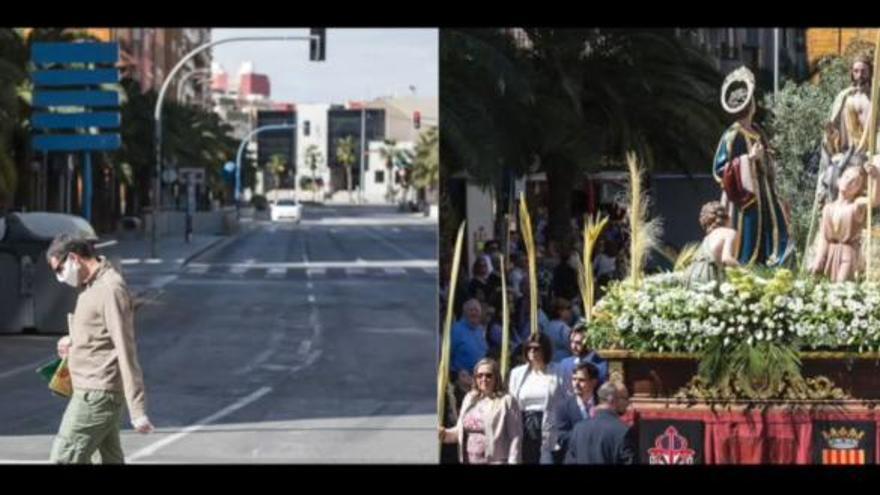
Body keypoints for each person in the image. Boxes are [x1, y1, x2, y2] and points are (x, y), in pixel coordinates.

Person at [47, 234, 153, 464]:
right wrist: (72, 342)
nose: (60, 277)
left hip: (96, 394)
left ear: (74, 257)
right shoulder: (91, 284)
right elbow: (98, 333)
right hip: (93, 390)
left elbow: (125, 346)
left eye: (59, 269)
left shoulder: (109, 288)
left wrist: (137, 409)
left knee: (63, 458)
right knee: (109, 459)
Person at [714, 65, 793, 267]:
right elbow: (720, 169)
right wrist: (748, 159)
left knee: (773, 228)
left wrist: (765, 158)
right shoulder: (732, 135)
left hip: (764, 191)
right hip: (742, 197)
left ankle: (768, 262)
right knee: (745, 233)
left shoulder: (758, 131)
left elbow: (767, 158)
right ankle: (742, 265)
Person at [440, 358, 523, 464]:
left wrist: (513, 461)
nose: (484, 379)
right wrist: (443, 434)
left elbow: (515, 437)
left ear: (496, 378)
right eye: (480, 375)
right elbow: (459, 432)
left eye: (488, 375)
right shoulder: (469, 398)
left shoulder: (507, 401)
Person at [809, 161, 880, 282]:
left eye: (855, 182)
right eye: (847, 177)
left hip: (848, 254)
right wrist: (818, 259)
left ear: (859, 189)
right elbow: (824, 238)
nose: (849, 182)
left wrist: (876, 178)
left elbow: (874, 200)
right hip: (829, 253)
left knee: (841, 288)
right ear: (838, 180)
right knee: (823, 287)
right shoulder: (828, 208)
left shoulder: (856, 206)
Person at [508, 333, 564, 464]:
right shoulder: (517, 373)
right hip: (523, 425)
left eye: (536, 348)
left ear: (545, 350)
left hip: (547, 424)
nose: (532, 352)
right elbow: (512, 402)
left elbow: (564, 398)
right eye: (529, 348)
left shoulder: (558, 371)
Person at [565, 381, 636, 465]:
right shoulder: (623, 431)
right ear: (612, 399)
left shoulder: (579, 429)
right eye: (625, 398)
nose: (628, 403)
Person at [554, 362, 600, 463]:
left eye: (581, 380)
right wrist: (587, 437)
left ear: (594, 382)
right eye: (574, 379)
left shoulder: (602, 404)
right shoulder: (563, 407)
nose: (576, 384)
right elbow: (561, 436)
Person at [686, 201, 740, 288]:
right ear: (728, 218)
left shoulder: (707, 238)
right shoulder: (730, 233)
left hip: (691, 275)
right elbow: (726, 259)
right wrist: (746, 272)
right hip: (708, 276)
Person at [451, 299, 489, 399]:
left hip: (480, 378)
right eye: (471, 310)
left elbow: (484, 351)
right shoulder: (456, 330)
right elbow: (447, 355)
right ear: (464, 313)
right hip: (462, 380)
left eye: (477, 310)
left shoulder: (481, 330)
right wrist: (455, 374)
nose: (474, 313)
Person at [557, 322, 609, 395]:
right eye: (571, 342)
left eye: (578, 343)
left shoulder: (601, 365)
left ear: (588, 343)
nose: (573, 346)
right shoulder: (565, 364)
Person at [543, 297, 573, 363]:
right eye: (568, 308)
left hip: (549, 362)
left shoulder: (547, 326)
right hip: (562, 362)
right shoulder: (564, 328)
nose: (570, 311)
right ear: (560, 311)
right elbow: (571, 347)